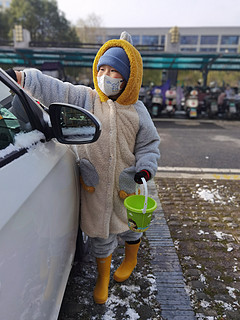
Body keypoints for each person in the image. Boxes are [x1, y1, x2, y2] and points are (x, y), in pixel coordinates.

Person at [8, 31, 160, 304]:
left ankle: (131, 258)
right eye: (101, 68)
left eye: (114, 71)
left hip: (127, 184)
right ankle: (103, 277)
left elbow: (149, 145)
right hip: (96, 187)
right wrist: (21, 78)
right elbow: (56, 88)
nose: (105, 75)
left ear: (129, 78)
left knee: (131, 227)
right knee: (100, 234)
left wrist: (145, 168)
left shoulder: (138, 111)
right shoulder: (89, 99)